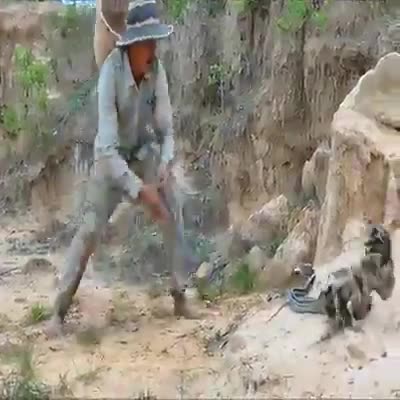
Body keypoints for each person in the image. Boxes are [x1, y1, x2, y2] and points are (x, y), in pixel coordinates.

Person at [46, 0, 199, 337]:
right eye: (149, 43)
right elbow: (106, 149)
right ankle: (58, 311)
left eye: (156, 41)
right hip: (110, 161)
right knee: (89, 230)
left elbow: (167, 130)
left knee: (172, 205)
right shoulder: (110, 75)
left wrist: (164, 164)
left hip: (142, 154)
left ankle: (180, 294)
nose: (154, 50)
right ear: (132, 46)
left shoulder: (157, 71)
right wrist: (140, 191)